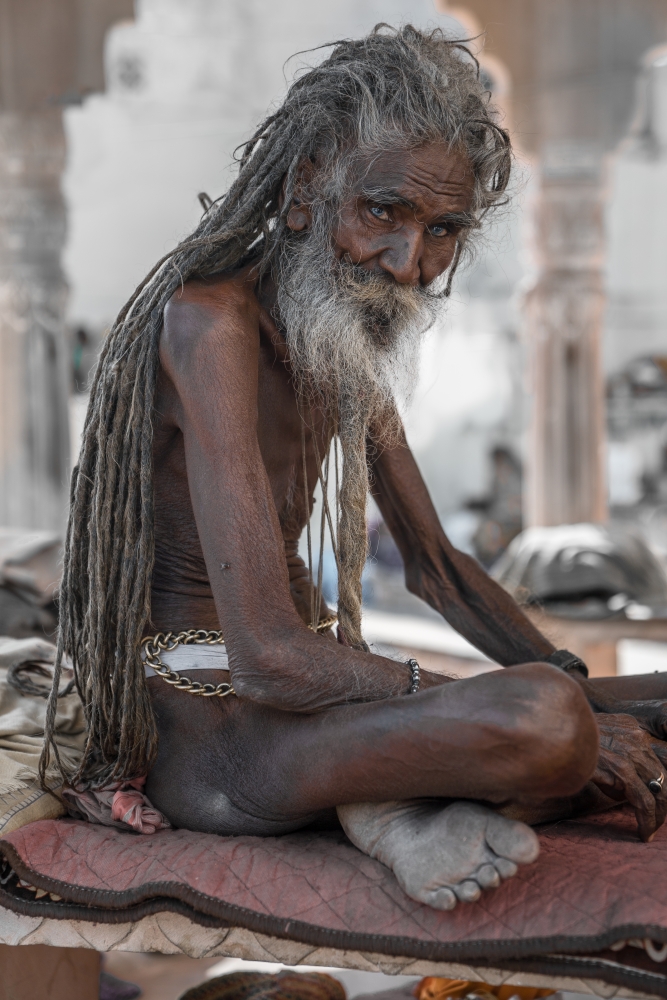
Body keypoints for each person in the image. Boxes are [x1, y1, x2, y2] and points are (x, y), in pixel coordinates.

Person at [43, 25, 667, 911]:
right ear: (306, 188)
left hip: (327, 703)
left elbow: (440, 573)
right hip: (220, 739)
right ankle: (393, 801)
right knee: (542, 723)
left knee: (605, 705)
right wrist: (554, 719)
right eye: (384, 211)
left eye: (442, 229)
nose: (408, 262)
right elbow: (262, 657)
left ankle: (396, 800)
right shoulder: (206, 323)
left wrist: (574, 687)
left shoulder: (337, 332)